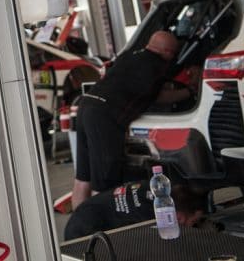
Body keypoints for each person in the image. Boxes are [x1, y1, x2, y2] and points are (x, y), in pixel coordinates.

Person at [72, 30, 197, 208]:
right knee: (104, 183)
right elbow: (159, 96)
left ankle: (81, 231)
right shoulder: (156, 65)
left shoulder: (129, 55)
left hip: (87, 105)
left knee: (83, 178)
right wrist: (189, 92)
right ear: (169, 53)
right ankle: (102, 231)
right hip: (104, 116)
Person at [64, 179, 207, 240]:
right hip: (82, 237)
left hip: (81, 217)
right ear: (179, 217)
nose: (193, 226)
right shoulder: (150, 219)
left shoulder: (155, 187)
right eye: (193, 222)